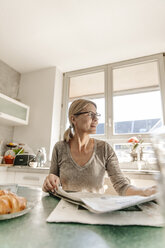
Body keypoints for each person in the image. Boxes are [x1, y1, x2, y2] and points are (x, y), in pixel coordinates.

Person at [43, 99, 156, 196]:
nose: (96, 120)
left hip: (95, 210)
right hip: (65, 207)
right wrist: (49, 183)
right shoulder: (60, 148)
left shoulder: (104, 148)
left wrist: (145, 191)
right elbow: (53, 180)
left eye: (96, 115)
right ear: (73, 119)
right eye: (90, 114)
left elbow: (122, 185)